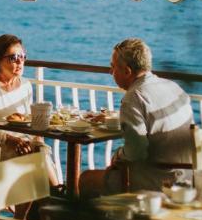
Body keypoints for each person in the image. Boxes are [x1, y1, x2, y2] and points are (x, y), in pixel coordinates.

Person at [78, 38, 194, 196]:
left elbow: (136, 152)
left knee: (86, 179)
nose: (110, 72)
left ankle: (105, 212)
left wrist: (117, 156)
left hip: (158, 181)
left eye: (113, 67)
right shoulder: (173, 87)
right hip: (186, 177)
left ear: (127, 71)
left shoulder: (134, 97)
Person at [0, 34, 60, 185]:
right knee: (35, 160)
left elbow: (26, 120)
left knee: (41, 150)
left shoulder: (25, 85)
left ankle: (56, 192)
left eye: (22, 56)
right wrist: (8, 139)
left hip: (18, 144)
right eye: (13, 58)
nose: (20, 62)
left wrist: (36, 138)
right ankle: (57, 193)